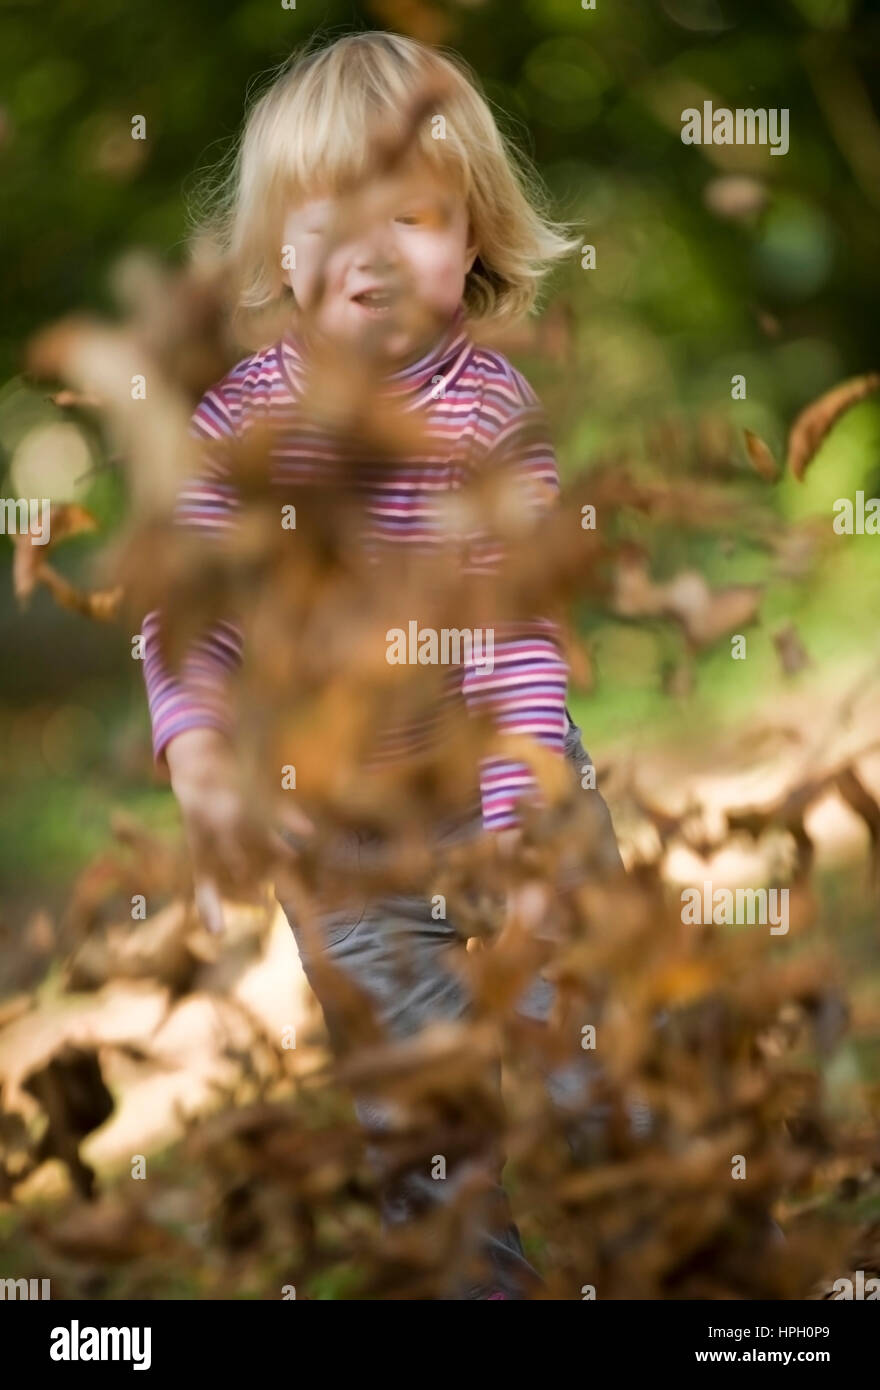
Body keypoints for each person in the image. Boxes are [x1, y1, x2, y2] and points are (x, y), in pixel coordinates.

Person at [142, 30, 622, 1299]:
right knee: (421, 1132)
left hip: (505, 774)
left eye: (411, 215)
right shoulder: (239, 423)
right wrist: (195, 748)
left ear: (470, 241)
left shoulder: (486, 413)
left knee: (593, 1067)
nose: (370, 250)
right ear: (282, 249)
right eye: (331, 217)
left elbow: (514, 638)